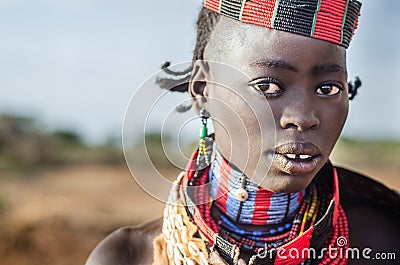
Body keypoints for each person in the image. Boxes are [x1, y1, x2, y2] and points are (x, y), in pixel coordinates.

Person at [86, 0, 400, 264]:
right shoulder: (128, 257)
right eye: (268, 86)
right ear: (202, 90)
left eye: (328, 88)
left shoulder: (384, 240)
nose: (303, 118)